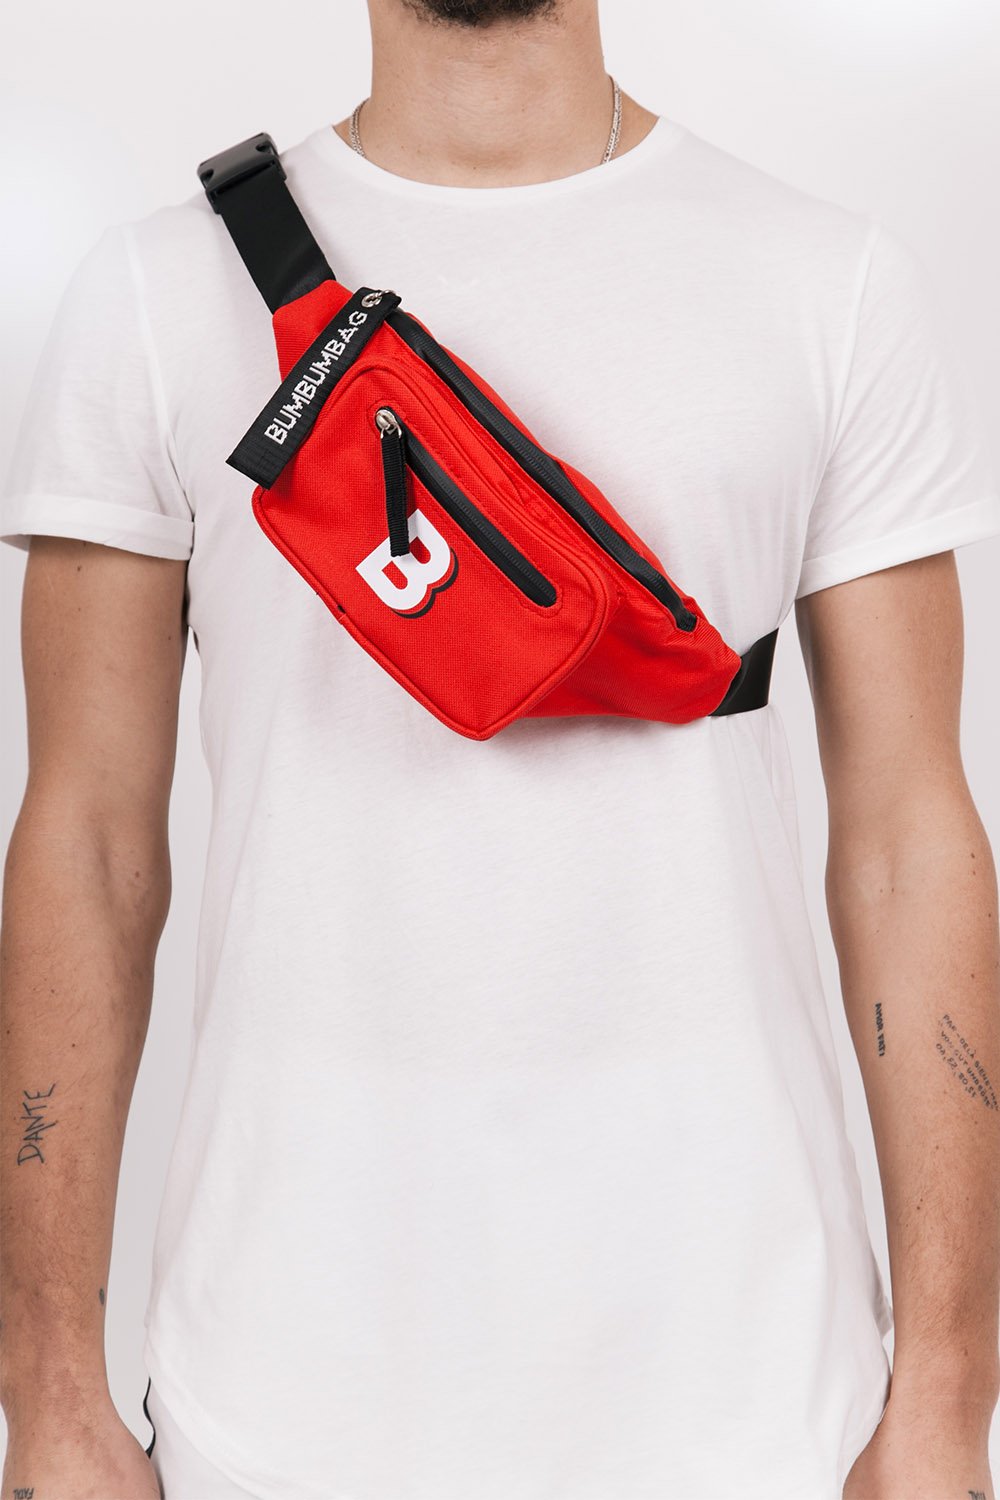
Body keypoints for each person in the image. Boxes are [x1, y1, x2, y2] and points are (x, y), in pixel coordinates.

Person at [2, 0, 999, 1495]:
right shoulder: (154, 295)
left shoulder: (830, 283)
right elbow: (85, 849)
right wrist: (48, 1398)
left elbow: (912, 842)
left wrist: (948, 1401)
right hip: (278, 1402)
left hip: (752, 1401)